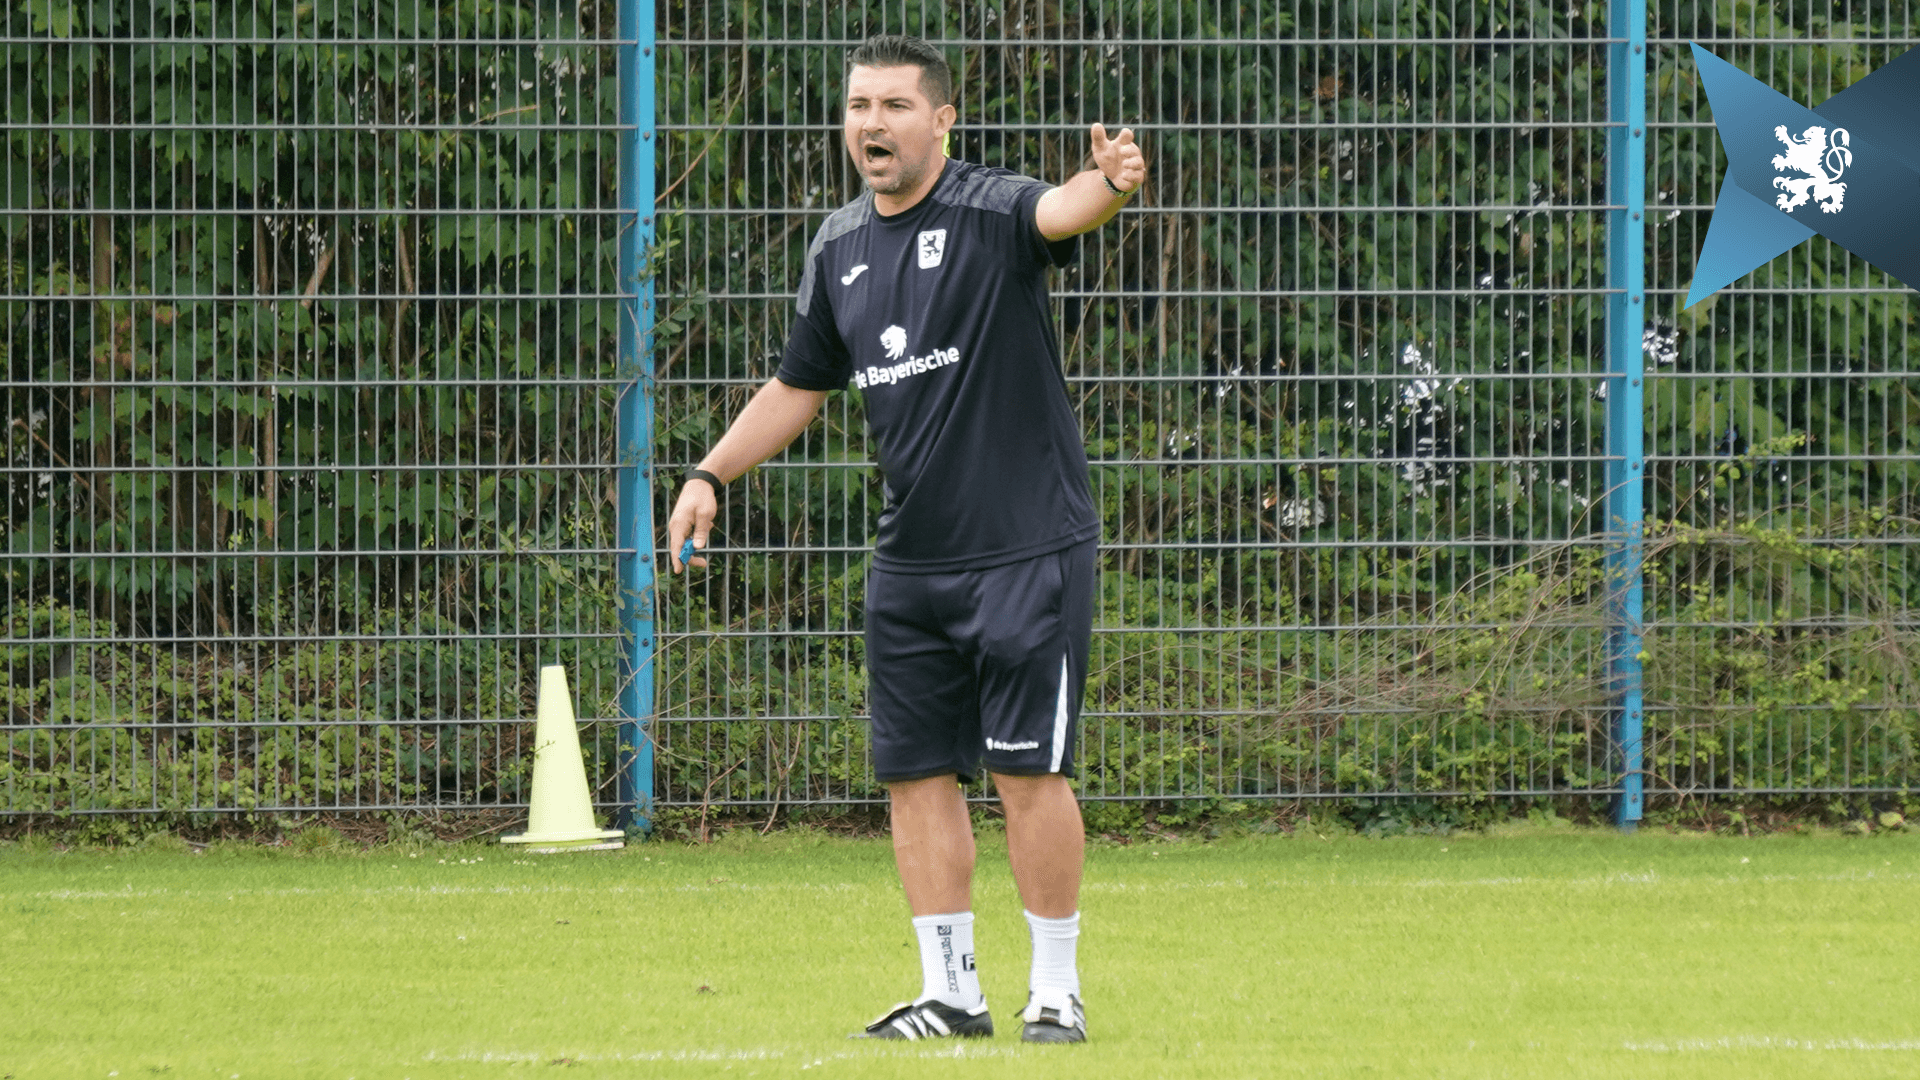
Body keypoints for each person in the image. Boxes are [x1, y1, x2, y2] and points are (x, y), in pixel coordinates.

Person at [664, 32, 1145, 1045]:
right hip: (911, 563)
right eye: (856, 107)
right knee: (915, 775)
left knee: (1026, 775)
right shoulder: (838, 246)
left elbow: (1061, 212)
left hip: (1026, 549)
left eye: (891, 106)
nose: (870, 126)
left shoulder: (987, 209)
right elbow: (801, 384)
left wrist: (1105, 182)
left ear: (941, 120)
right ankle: (950, 991)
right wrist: (712, 473)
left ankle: (1055, 988)